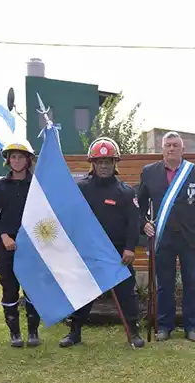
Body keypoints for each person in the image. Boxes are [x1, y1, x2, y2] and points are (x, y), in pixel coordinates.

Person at [59, 137, 145, 348]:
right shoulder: (81, 189)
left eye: (108, 161)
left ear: (115, 163)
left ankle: (133, 332)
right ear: (93, 164)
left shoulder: (126, 192)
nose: (104, 166)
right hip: (88, 251)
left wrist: (129, 248)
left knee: (127, 293)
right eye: (100, 162)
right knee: (83, 292)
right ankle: (75, 332)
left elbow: (134, 223)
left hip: (117, 254)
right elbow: (71, 218)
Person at [137, 131, 195, 342]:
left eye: (175, 145)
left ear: (183, 149)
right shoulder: (149, 172)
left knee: (192, 283)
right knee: (164, 285)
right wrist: (144, 224)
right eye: (167, 145)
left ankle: (192, 327)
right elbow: (138, 205)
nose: (171, 148)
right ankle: (164, 326)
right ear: (161, 149)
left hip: (190, 239)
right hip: (163, 239)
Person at [0, 141, 41, 348]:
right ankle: (15, 333)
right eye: (13, 157)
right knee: (9, 289)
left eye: (21, 157)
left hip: (31, 247)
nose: (17, 161)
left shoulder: (37, 186)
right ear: (8, 160)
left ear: (28, 160)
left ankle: (33, 332)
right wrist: (3, 235)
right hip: (6, 246)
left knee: (32, 290)